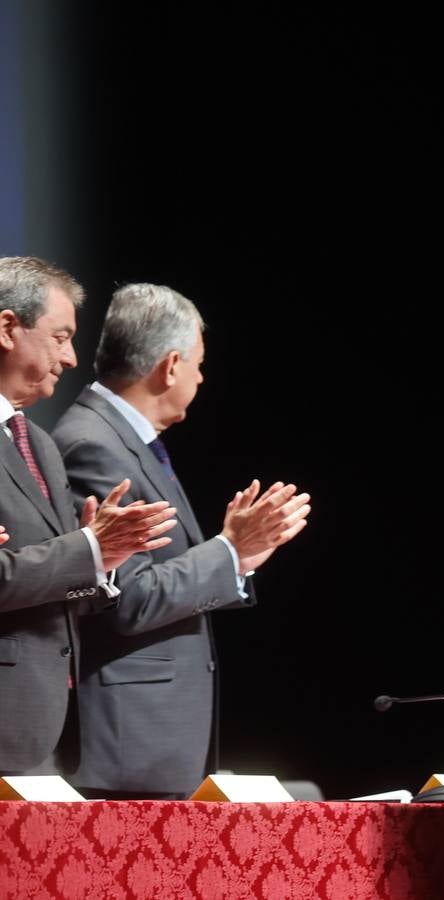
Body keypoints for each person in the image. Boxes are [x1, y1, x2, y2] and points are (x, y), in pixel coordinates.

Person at [51, 282, 311, 798]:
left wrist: (237, 562)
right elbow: (125, 597)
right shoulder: (94, 446)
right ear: (170, 366)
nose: (201, 376)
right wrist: (227, 551)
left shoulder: (127, 443)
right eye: (198, 363)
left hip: (153, 742)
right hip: (126, 745)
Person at [0, 257, 178, 777]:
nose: (72, 357)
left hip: (54, 731)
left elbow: (54, 578)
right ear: (8, 328)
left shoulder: (39, 445)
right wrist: (91, 549)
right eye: (60, 336)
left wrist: (104, 561)